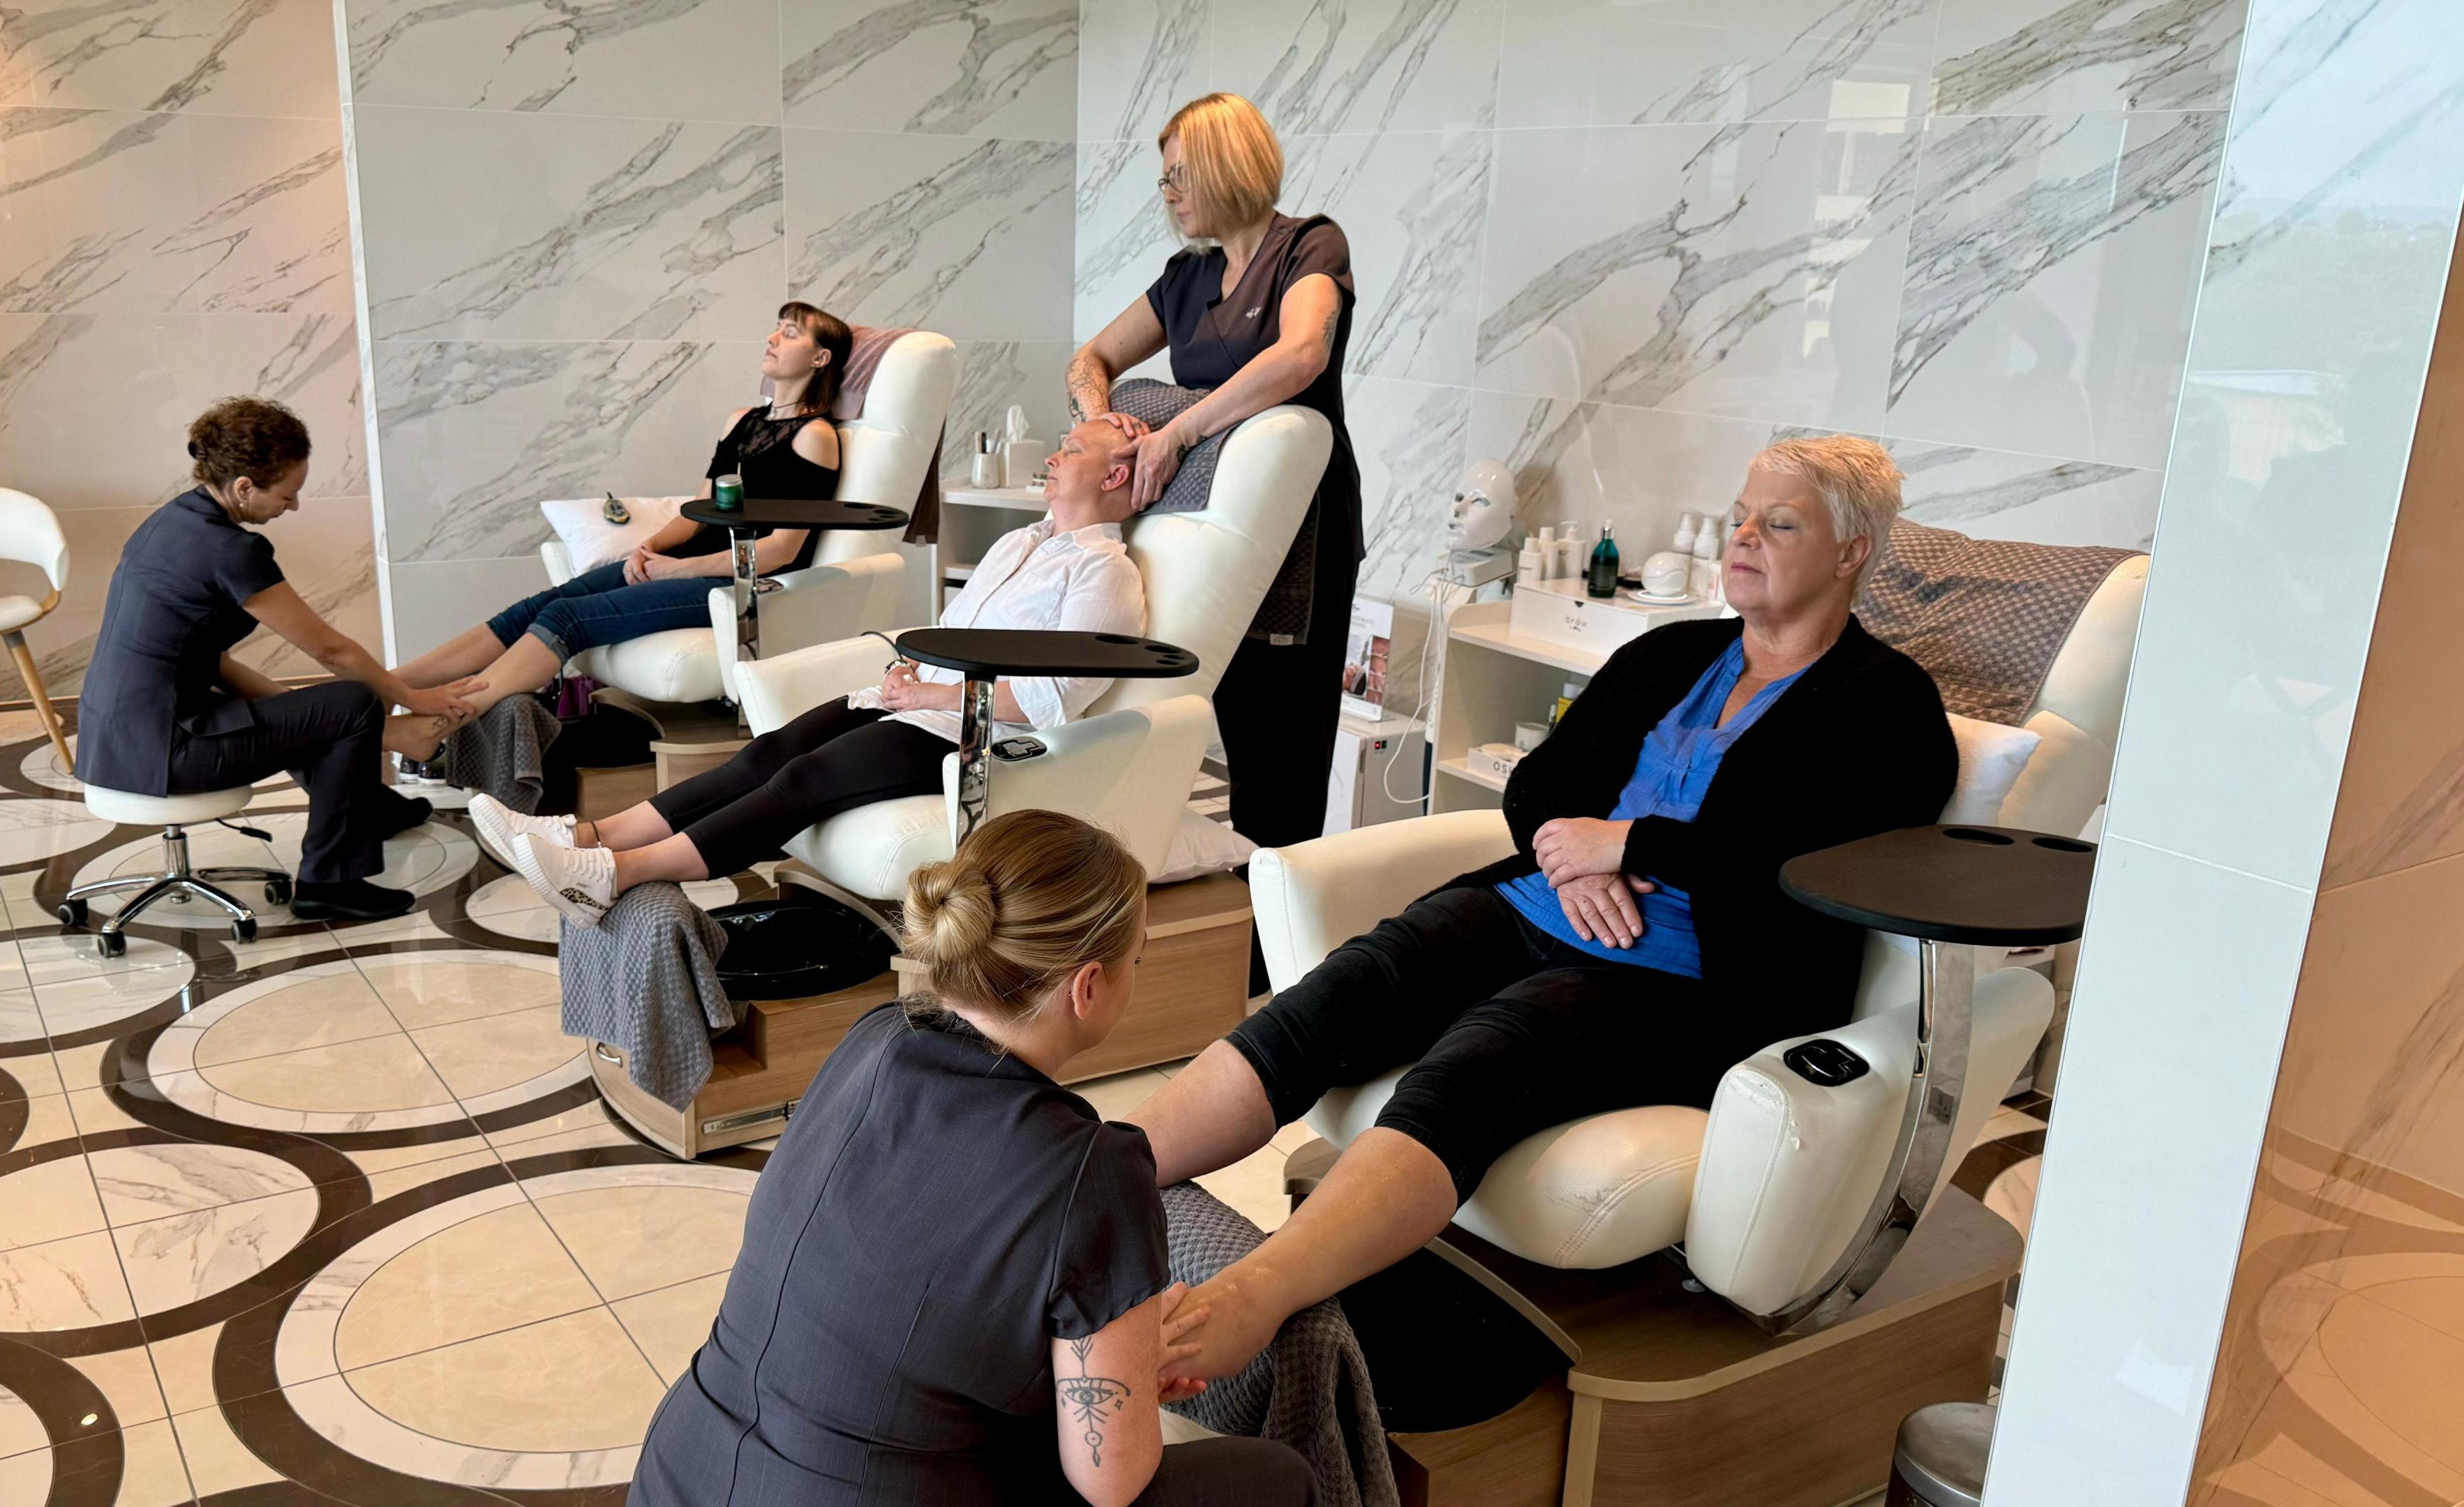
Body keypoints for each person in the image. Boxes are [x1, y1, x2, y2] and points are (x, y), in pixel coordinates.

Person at [1126, 437, 1961, 1381]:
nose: (1743, 539)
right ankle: (1101, 1177)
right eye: (1739, 517)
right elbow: (1539, 784)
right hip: (1538, 903)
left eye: (1779, 524)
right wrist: (1579, 858)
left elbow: (1827, 865)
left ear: (1852, 552)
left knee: (1487, 1054)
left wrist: (1634, 846)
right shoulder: (1669, 654)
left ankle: (1253, 1295)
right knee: (1344, 992)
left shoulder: (1889, 705)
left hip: (1685, 979)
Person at [626, 809, 1316, 1507]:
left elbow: (915, 1304)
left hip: (679, 1472)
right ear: (1087, 987)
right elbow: (1112, 1484)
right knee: (1282, 1481)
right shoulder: (1094, 1172)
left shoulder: (875, 1040)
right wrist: (1122, 1375)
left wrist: (1110, 1368)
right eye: (1135, 958)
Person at [479, 419, 1148, 923]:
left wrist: (927, 692)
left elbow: (1048, 697)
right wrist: (905, 671)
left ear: (1115, 477)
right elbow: (955, 626)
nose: (1055, 456)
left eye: (1075, 449)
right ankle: (583, 836)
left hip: (972, 737)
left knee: (804, 777)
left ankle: (612, 875)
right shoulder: (1018, 542)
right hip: (915, 701)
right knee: (763, 754)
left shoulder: (1105, 572)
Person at [1068, 91, 1359, 864]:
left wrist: (1179, 430)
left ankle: (1278, 935)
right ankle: (1231, 912)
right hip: (1206, 528)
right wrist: (1102, 420)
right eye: (1163, 180)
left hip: (1303, 526)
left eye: (1177, 176)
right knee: (1211, 724)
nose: (1166, 195)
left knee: (1281, 746)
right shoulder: (1186, 277)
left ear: (1226, 166)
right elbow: (1088, 361)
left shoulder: (1310, 249)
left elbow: (1302, 357)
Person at [73, 398, 483, 922]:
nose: (293, 507)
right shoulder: (231, 551)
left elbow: (211, 661)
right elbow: (329, 649)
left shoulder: (170, 522)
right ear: (244, 487)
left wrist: (304, 711)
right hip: (165, 754)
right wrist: (412, 701)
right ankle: (329, 883)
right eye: (288, 494)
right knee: (353, 703)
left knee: (320, 712)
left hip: (114, 739)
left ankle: (373, 811)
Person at [389, 303, 853, 723]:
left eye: (790, 333)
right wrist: (649, 548)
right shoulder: (742, 420)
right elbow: (699, 511)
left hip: (737, 585)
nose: (772, 339)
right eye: (775, 329)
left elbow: (780, 549)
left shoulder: (814, 438)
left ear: (820, 358)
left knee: (566, 618)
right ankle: (387, 686)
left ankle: (442, 721)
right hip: (685, 566)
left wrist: (677, 570)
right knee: (540, 606)